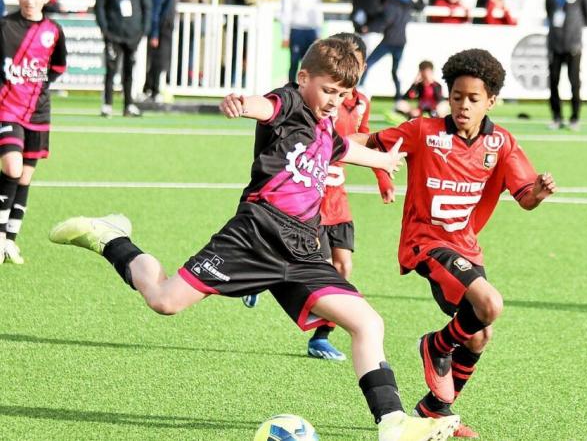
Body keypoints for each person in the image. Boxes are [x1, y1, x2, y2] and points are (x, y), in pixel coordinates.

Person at [48, 37, 460, 441]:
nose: (334, 101)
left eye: (343, 94)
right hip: (254, 235)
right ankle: (112, 237)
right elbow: (263, 107)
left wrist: (385, 160)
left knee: (368, 323)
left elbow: (343, 149)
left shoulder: (324, 125)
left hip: (303, 249)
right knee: (163, 301)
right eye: (328, 90)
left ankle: (393, 424)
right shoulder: (289, 103)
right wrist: (240, 103)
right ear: (303, 78)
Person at [361, 49, 557, 438]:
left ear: (491, 102)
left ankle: (435, 408)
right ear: (447, 97)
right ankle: (435, 346)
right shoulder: (423, 132)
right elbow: (366, 142)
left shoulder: (501, 143)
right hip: (425, 242)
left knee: (480, 333)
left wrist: (538, 191)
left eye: (473, 99)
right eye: (457, 97)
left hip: (465, 247)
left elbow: (525, 199)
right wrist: (321, 137)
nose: (463, 106)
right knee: (490, 304)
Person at [241, 33, 396, 363]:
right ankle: (314, 326)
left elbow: (360, 144)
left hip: (339, 199)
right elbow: (277, 113)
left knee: (344, 265)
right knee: (319, 267)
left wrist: (383, 172)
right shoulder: (309, 101)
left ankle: (322, 331)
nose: (335, 96)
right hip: (310, 201)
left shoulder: (359, 102)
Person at [0, 0, 67, 264]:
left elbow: (58, 67)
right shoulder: (4, 27)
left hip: (38, 113)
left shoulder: (54, 30)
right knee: (12, 169)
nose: (30, 0)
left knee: (25, 179)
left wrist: (35, 88)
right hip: (7, 110)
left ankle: (11, 242)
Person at [360, 0, 424, 101]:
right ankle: (398, 97)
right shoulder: (407, 3)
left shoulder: (391, 3)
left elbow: (385, 20)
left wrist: (369, 28)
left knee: (367, 64)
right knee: (395, 71)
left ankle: (359, 89)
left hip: (389, 41)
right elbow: (420, 7)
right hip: (400, 42)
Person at [95, 0, 151, 117]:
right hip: (113, 33)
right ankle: (107, 104)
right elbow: (100, 5)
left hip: (133, 34)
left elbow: (146, 6)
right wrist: (104, 29)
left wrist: (143, 31)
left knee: (129, 71)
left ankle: (128, 104)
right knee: (111, 70)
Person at [545, 0, 587, 130]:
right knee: (553, 81)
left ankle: (575, 117)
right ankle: (556, 117)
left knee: (575, 82)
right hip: (555, 44)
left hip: (573, 45)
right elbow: (549, 12)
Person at [280, 0, 323, 84]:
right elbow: (286, 10)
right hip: (296, 30)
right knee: (294, 63)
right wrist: (285, 35)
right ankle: (291, 90)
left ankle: (307, 92)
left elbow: (318, 10)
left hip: (311, 31)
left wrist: (319, 33)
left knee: (311, 65)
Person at [143, 0, 175, 102]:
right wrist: (155, 33)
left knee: (161, 61)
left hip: (166, 29)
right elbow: (155, 10)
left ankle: (149, 88)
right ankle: (153, 90)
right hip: (162, 29)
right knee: (159, 61)